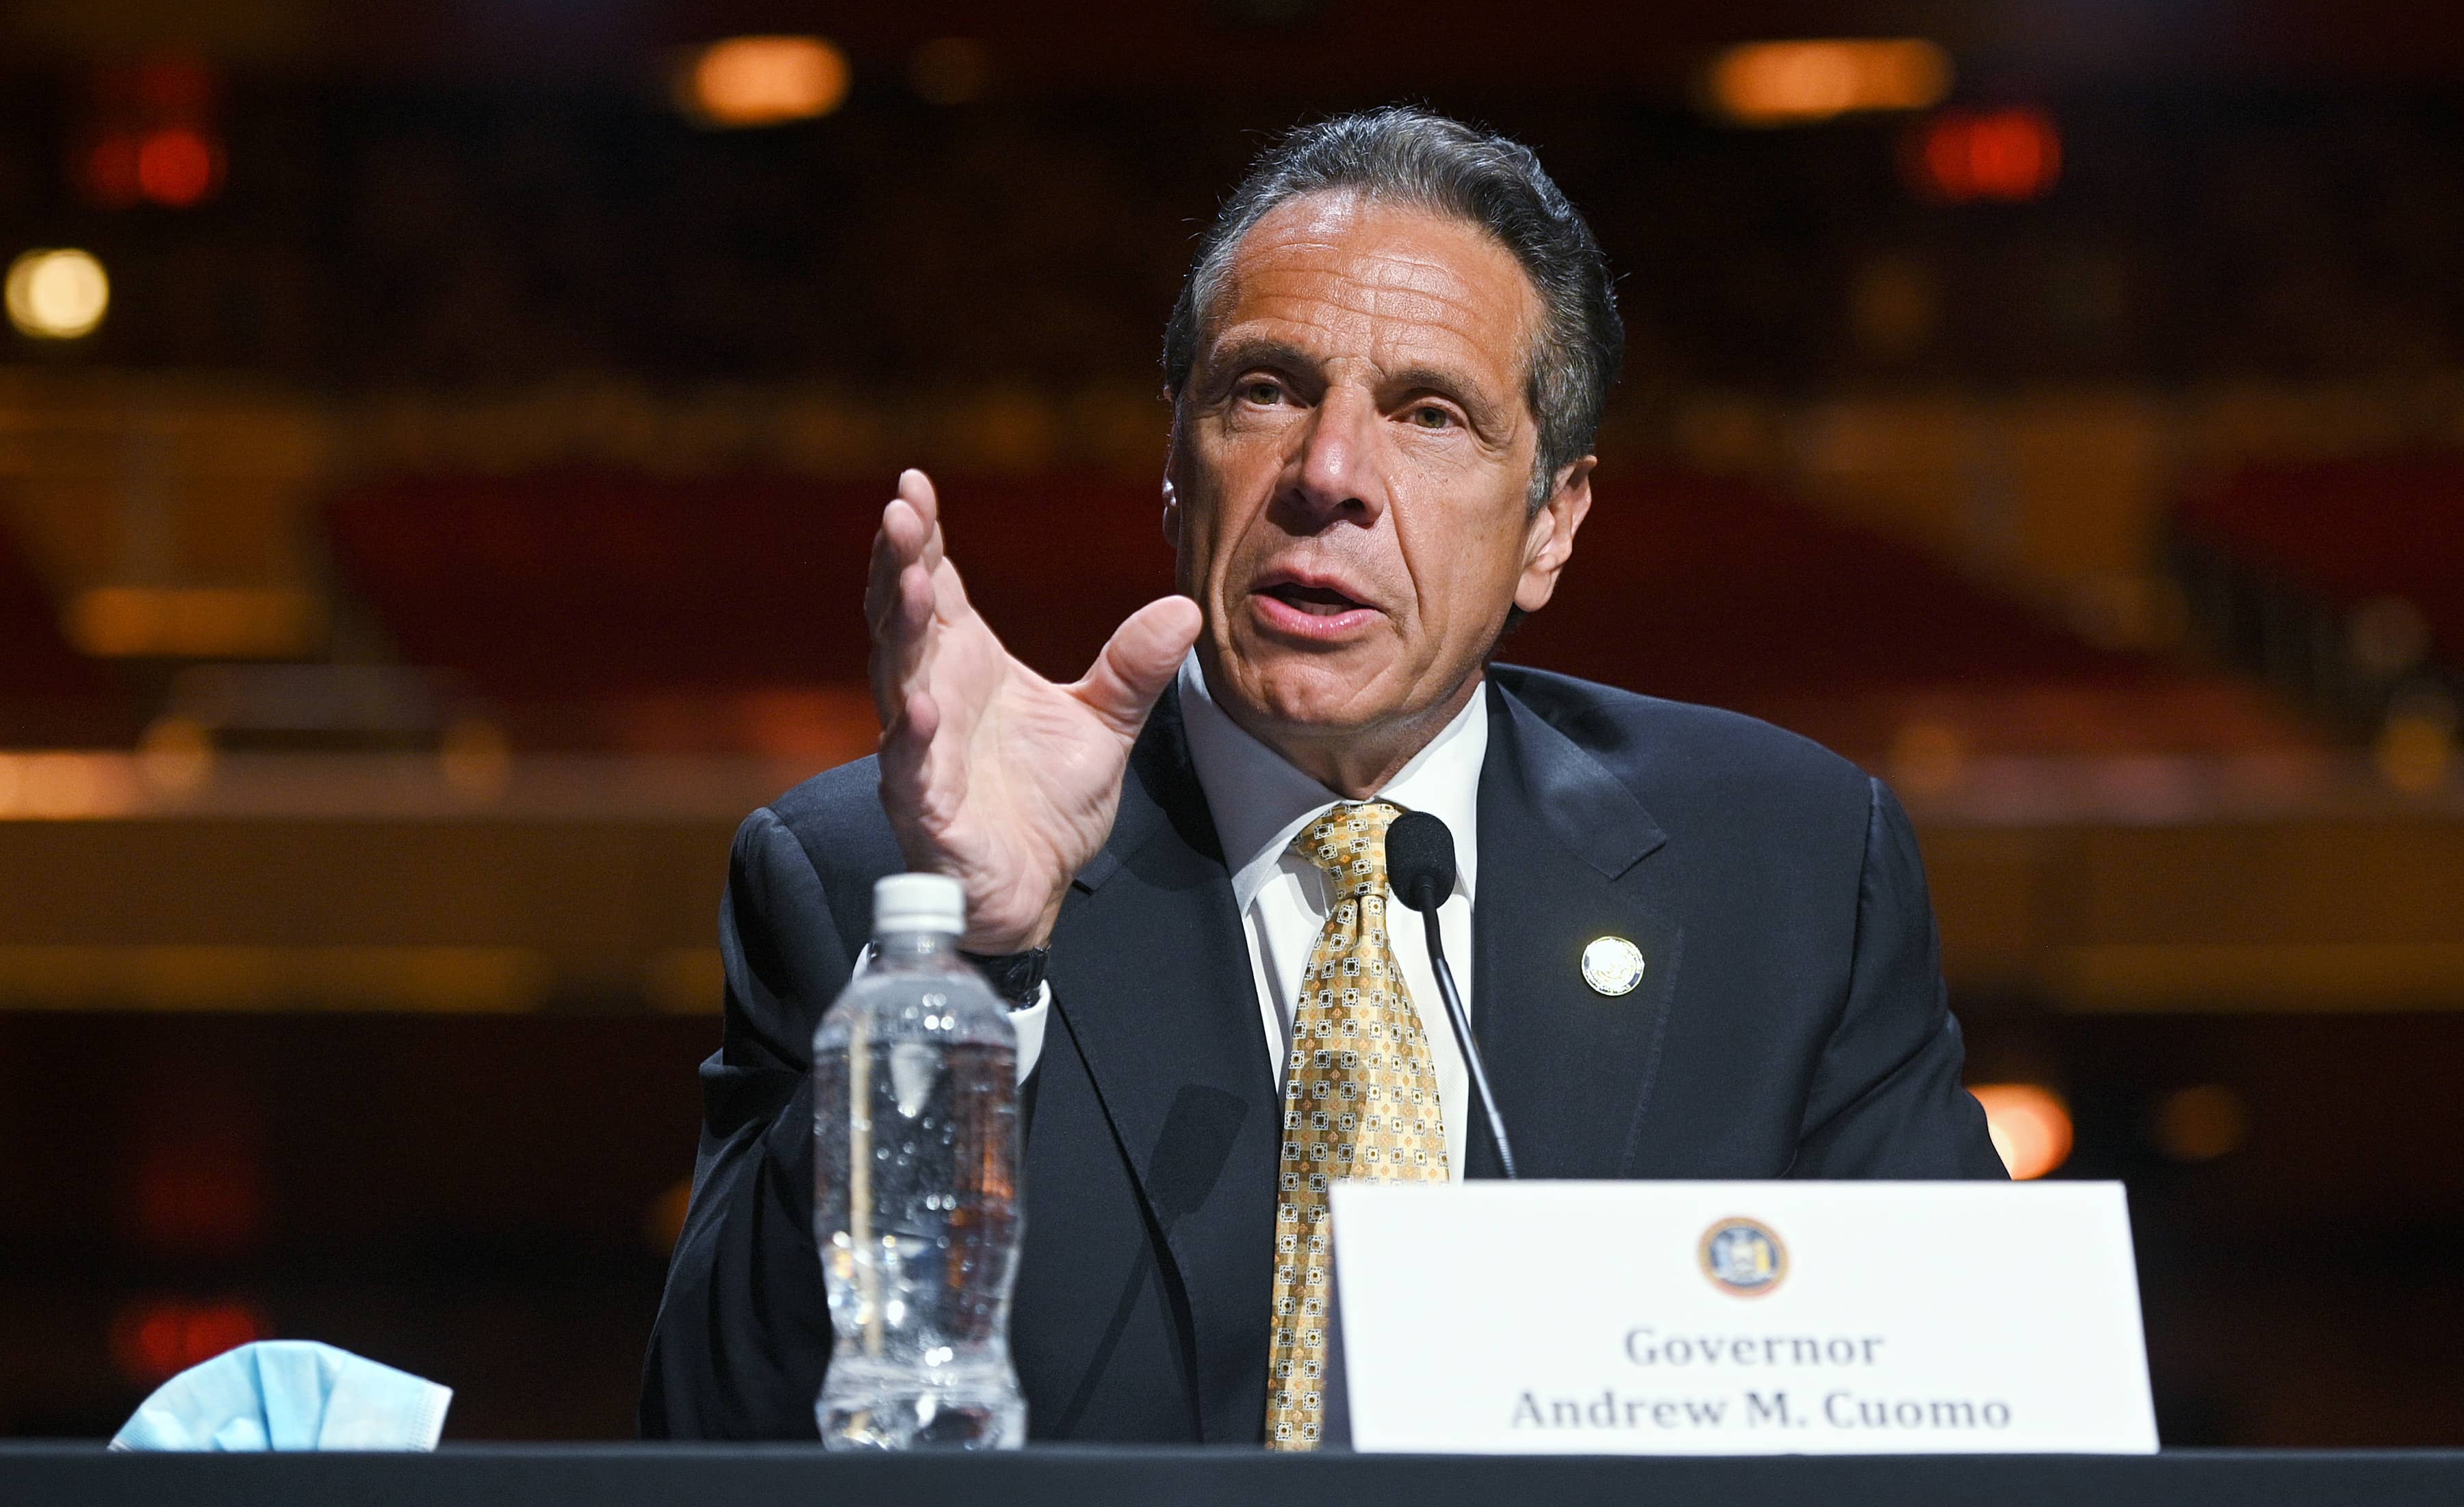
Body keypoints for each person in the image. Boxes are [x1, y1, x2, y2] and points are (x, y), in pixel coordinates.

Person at [641, 107, 2005, 1447]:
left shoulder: (1787, 871)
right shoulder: (876, 880)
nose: (1329, 473)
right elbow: (714, 1435)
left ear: (1552, 525)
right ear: (1177, 468)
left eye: (1429, 414)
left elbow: (1979, 1413)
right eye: (1267, 390)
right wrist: (981, 966)